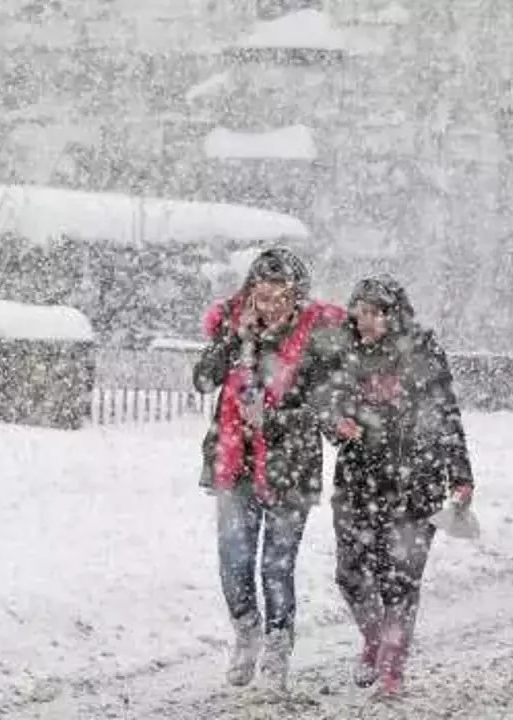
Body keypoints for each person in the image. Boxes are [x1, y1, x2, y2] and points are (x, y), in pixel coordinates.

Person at [192, 247, 346, 690]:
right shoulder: (235, 330)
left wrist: (272, 420)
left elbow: (324, 409)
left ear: (296, 295)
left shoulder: (315, 339)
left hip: (290, 465)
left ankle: (279, 642)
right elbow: (202, 380)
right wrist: (230, 341)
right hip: (233, 461)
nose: (268, 304)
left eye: (278, 295)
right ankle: (246, 632)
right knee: (233, 560)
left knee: (276, 565)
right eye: (261, 294)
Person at [325, 274, 475, 698]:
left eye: (377, 312)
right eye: (362, 311)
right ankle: (374, 639)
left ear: (396, 315)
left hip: (417, 482)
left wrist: (460, 475)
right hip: (358, 481)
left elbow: (447, 414)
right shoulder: (344, 354)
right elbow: (326, 406)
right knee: (352, 574)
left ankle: (392, 665)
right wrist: (336, 424)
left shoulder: (423, 353)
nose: (367, 321)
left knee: (400, 580)